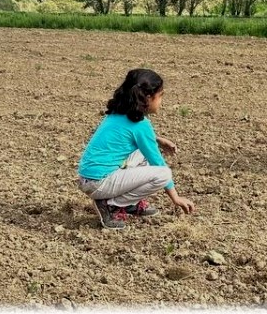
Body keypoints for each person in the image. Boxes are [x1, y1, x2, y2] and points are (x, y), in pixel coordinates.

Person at [77, 68, 196, 229]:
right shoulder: (141, 125)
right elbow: (158, 162)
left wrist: (157, 140)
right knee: (163, 174)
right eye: (160, 96)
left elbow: (126, 137)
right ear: (147, 97)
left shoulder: (119, 112)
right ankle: (112, 205)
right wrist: (176, 197)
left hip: (89, 178)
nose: (161, 101)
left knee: (142, 153)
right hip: (98, 182)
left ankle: (128, 203)